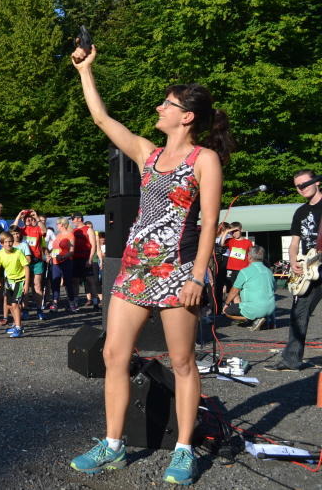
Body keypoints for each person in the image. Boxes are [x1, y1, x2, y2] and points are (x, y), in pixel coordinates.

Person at [68, 43, 233, 485]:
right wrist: (87, 71)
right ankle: (113, 445)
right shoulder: (148, 154)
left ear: (188, 116)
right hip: (136, 269)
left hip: (179, 269)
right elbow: (102, 119)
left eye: (168, 103)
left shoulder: (205, 159)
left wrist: (198, 276)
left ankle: (183, 449)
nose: (159, 107)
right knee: (113, 354)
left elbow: (211, 220)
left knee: (182, 361)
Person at [266, 170, 322, 372]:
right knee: (298, 313)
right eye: (297, 186)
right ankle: (291, 360)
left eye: (305, 184)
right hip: (310, 269)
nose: (301, 188)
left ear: (317, 182)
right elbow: (294, 243)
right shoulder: (300, 212)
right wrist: (293, 261)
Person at [222, 245, 275, 331]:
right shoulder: (269, 271)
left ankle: (255, 318)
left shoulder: (245, 271)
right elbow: (274, 288)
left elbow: (234, 290)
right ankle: (265, 319)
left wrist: (226, 304)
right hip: (271, 309)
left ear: (249, 257)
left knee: (228, 310)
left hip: (254, 308)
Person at [0, 231, 30, 338]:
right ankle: (16, 324)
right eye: (6, 242)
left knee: (15, 304)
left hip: (20, 280)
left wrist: (26, 284)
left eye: (11, 242)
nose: (9, 244)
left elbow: (26, 267)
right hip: (8, 282)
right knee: (10, 305)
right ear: (1, 244)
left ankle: (18, 327)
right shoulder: (0, 254)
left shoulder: (18, 252)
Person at [12, 209, 47, 319]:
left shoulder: (37, 229)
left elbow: (44, 230)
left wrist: (36, 217)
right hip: (24, 262)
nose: (28, 219)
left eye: (30, 217)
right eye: (25, 217)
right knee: (25, 287)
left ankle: (39, 309)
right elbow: (12, 229)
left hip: (37, 261)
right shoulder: (21, 230)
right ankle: (25, 309)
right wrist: (18, 215)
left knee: (37, 286)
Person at [70, 212, 97, 312]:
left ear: (78, 219)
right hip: (75, 259)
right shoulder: (73, 230)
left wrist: (90, 259)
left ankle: (95, 302)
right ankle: (76, 303)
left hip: (86, 258)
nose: (72, 221)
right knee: (75, 281)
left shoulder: (88, 229)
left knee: (90, 281)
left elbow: (93, 245)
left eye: (73, 219)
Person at [48, 217, 75, 312]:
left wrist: (63, 257)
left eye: (57, 224)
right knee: (55, 283)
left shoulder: (70, 235)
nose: (56, 226)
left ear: (62, 224)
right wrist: (51, 255)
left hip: (66, 262)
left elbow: (72, 251)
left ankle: (72, 304)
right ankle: (55, 304)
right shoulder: (58, 235)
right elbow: (55, 249)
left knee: (68, 283)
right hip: (56, 262)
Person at [222, 222, 253, 291]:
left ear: (241, 230)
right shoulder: (230, 241)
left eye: (236, 231)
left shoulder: (248, 242)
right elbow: (221, 243)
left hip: (243, 269)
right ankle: (233, 301)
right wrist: (226, 232)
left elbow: (251, 256)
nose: (234, 233)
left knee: (243, 288)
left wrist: (250, 268)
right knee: (231, 288)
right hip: (231, 269)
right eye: (232, 231)